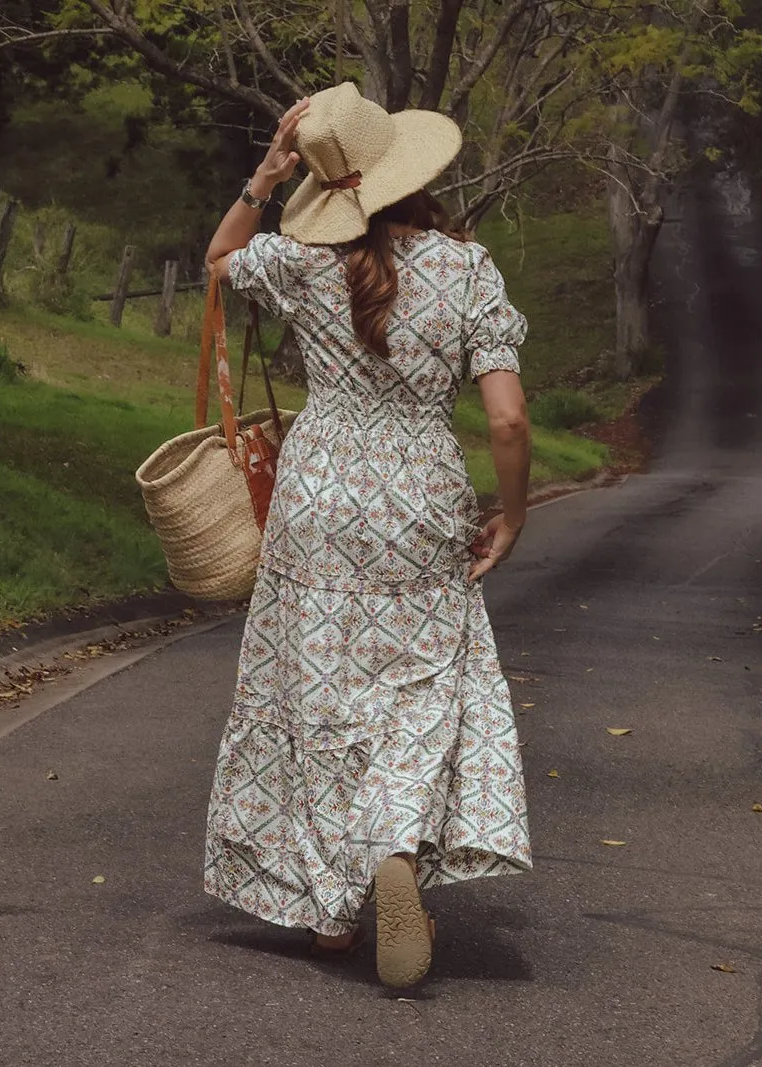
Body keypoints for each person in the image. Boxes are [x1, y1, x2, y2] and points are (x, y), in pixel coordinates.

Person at [202, 82, 532, 990]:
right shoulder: (468, 270)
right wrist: (513, 508)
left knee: (315, 686)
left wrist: (267, 175)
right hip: (419, 493)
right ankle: (390, 843)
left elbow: (218, 260)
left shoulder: (301, 264)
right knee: (419, 685)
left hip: (317, 491)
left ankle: (330, 904)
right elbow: (505, 421)